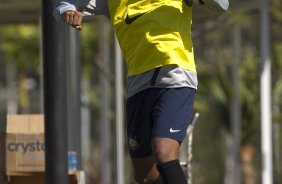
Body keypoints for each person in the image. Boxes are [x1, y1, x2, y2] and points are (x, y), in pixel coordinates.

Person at [54, 0, 228, 183]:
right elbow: (61, 5)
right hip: (138, 85)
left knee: (164, 151)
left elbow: (221, 5)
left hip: (175, 75)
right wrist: (67, 11)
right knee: (145, 175)